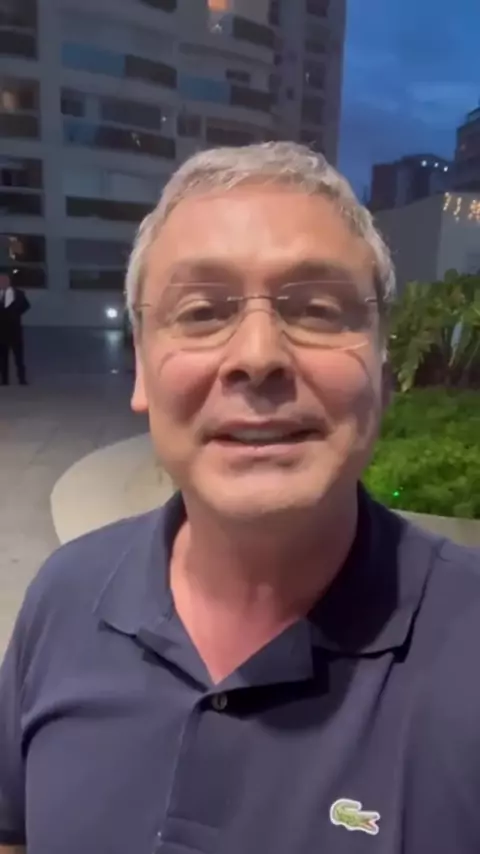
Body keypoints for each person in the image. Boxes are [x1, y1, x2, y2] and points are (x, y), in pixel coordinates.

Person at [0, 142, 479, 854]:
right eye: (200, 312)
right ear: (141, 368)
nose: (258, 356)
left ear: (383, 373)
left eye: (318, 310)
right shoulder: (64, 597)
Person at [0, 273, 30, 386]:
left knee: (19, 357)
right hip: (1, 331)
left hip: (15, 330)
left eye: (4, 281)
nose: (2, 283)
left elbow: (26, 305)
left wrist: (16, 314)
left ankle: (22, 379)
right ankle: (4, 380)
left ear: (9, 282)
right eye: (0, 281)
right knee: (3, 357)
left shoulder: (18, 293)